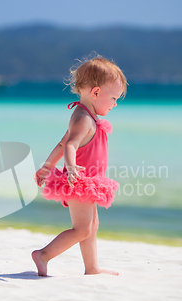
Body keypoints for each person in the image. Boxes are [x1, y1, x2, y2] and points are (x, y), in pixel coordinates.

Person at [32, 54, 127, 276]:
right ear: (95, 92)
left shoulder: (87, 117)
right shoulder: (83, 118)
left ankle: (92, 267)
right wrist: (72, 168)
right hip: (79, 183)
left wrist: (47, 167)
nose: (115, 104)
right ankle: (43, 255)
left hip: (88, 183)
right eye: (113, 98)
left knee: (92, 227)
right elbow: (70, 146)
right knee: (82, 229)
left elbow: (61, 143)